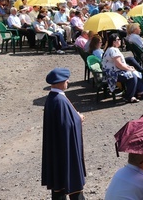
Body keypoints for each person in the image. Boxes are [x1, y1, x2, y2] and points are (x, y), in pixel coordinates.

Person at [42, 67, 86, 200]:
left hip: (57, 148)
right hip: (66, 149)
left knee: (58, 184)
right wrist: (79, 119)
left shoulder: (53, 97)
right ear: (60, 82)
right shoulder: (60, 101)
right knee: (73, 182)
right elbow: (67, 125)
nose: (68, 82)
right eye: (66, 80)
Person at [102, 34, 143, 104]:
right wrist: (129, 69)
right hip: (113, 74)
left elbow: (119, 64)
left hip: (112, 72)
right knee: (132, 76)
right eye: (118, 40)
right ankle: (129, 96)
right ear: (113, 42)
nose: (120, 41)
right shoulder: (113, 50)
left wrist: (128, 67)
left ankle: (138, 92)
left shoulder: (110, 49)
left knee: (133, 73)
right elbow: (118, 64)